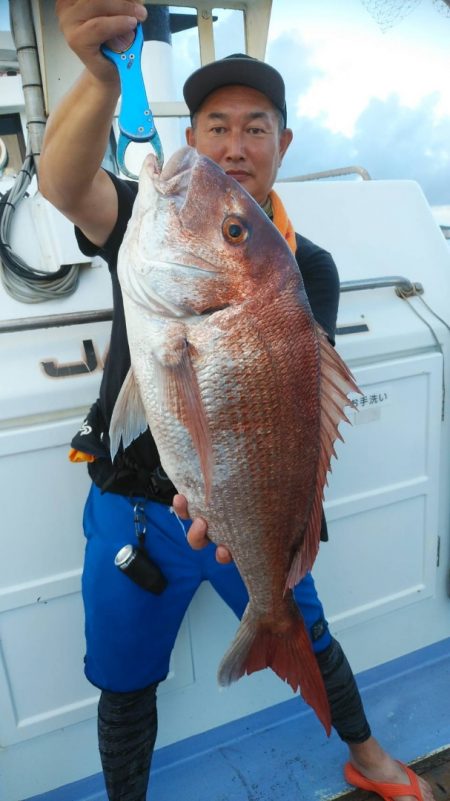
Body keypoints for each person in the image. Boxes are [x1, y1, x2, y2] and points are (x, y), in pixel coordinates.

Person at [39, 4, 433, 801]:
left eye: (257, 128)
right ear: (192, 140)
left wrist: (265, 524)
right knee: (124, 683)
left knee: (303, 624)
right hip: (138, 513)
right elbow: (63, 183)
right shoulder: (150, 224)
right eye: (215, 126)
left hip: (252, 506)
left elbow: (286, 405)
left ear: (284, 144)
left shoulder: (306, 265)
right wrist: (95, 75)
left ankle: (368, 754)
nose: (234, 145)